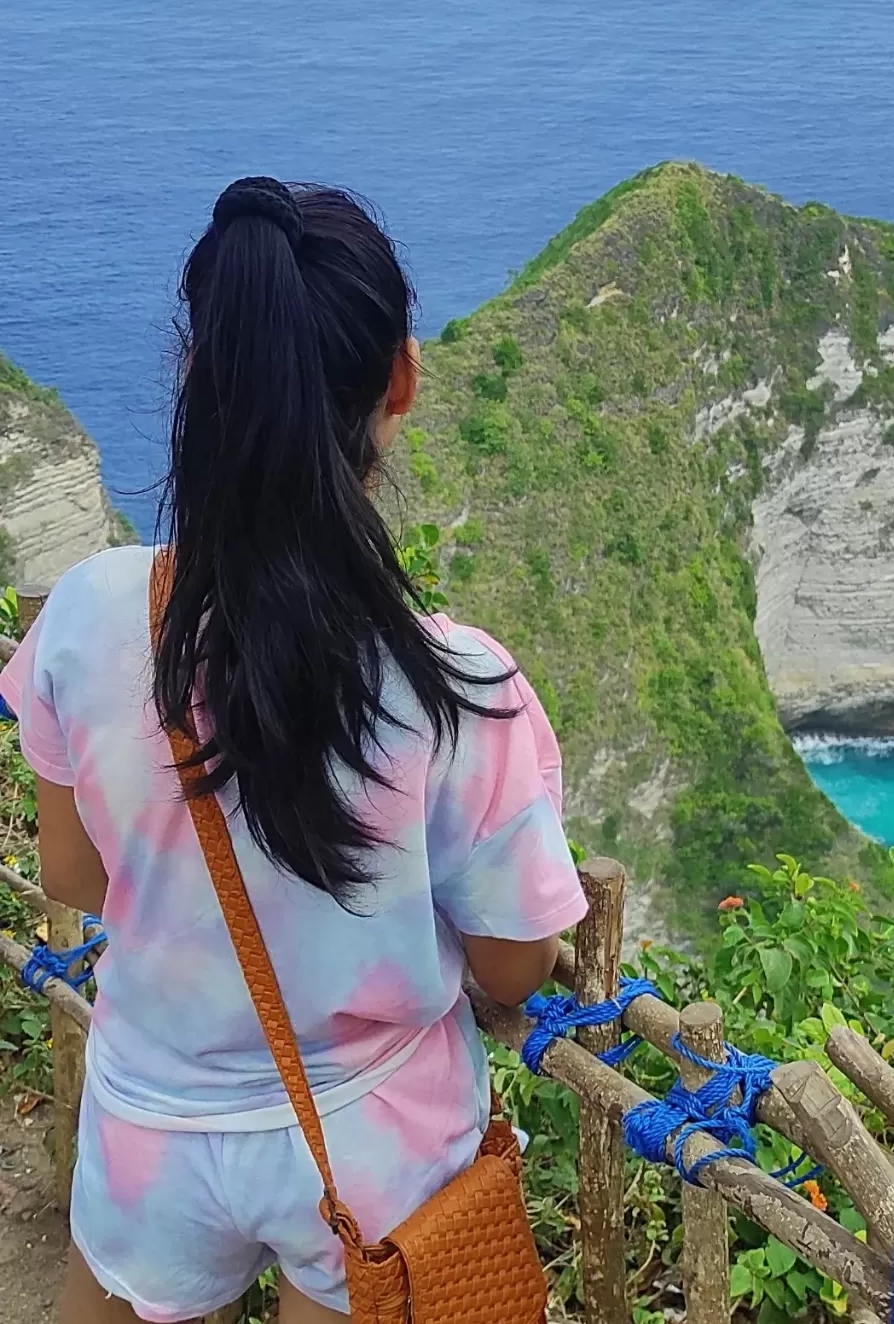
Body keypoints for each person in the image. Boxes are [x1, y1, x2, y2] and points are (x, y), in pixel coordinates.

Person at [0, 177, 587, 1323]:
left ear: (194, 378)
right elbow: (516, 963)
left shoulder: (87, 615)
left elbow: (72, 876)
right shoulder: (459, 685)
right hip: (372, 1153)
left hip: (151, 1128)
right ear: (400, 381)